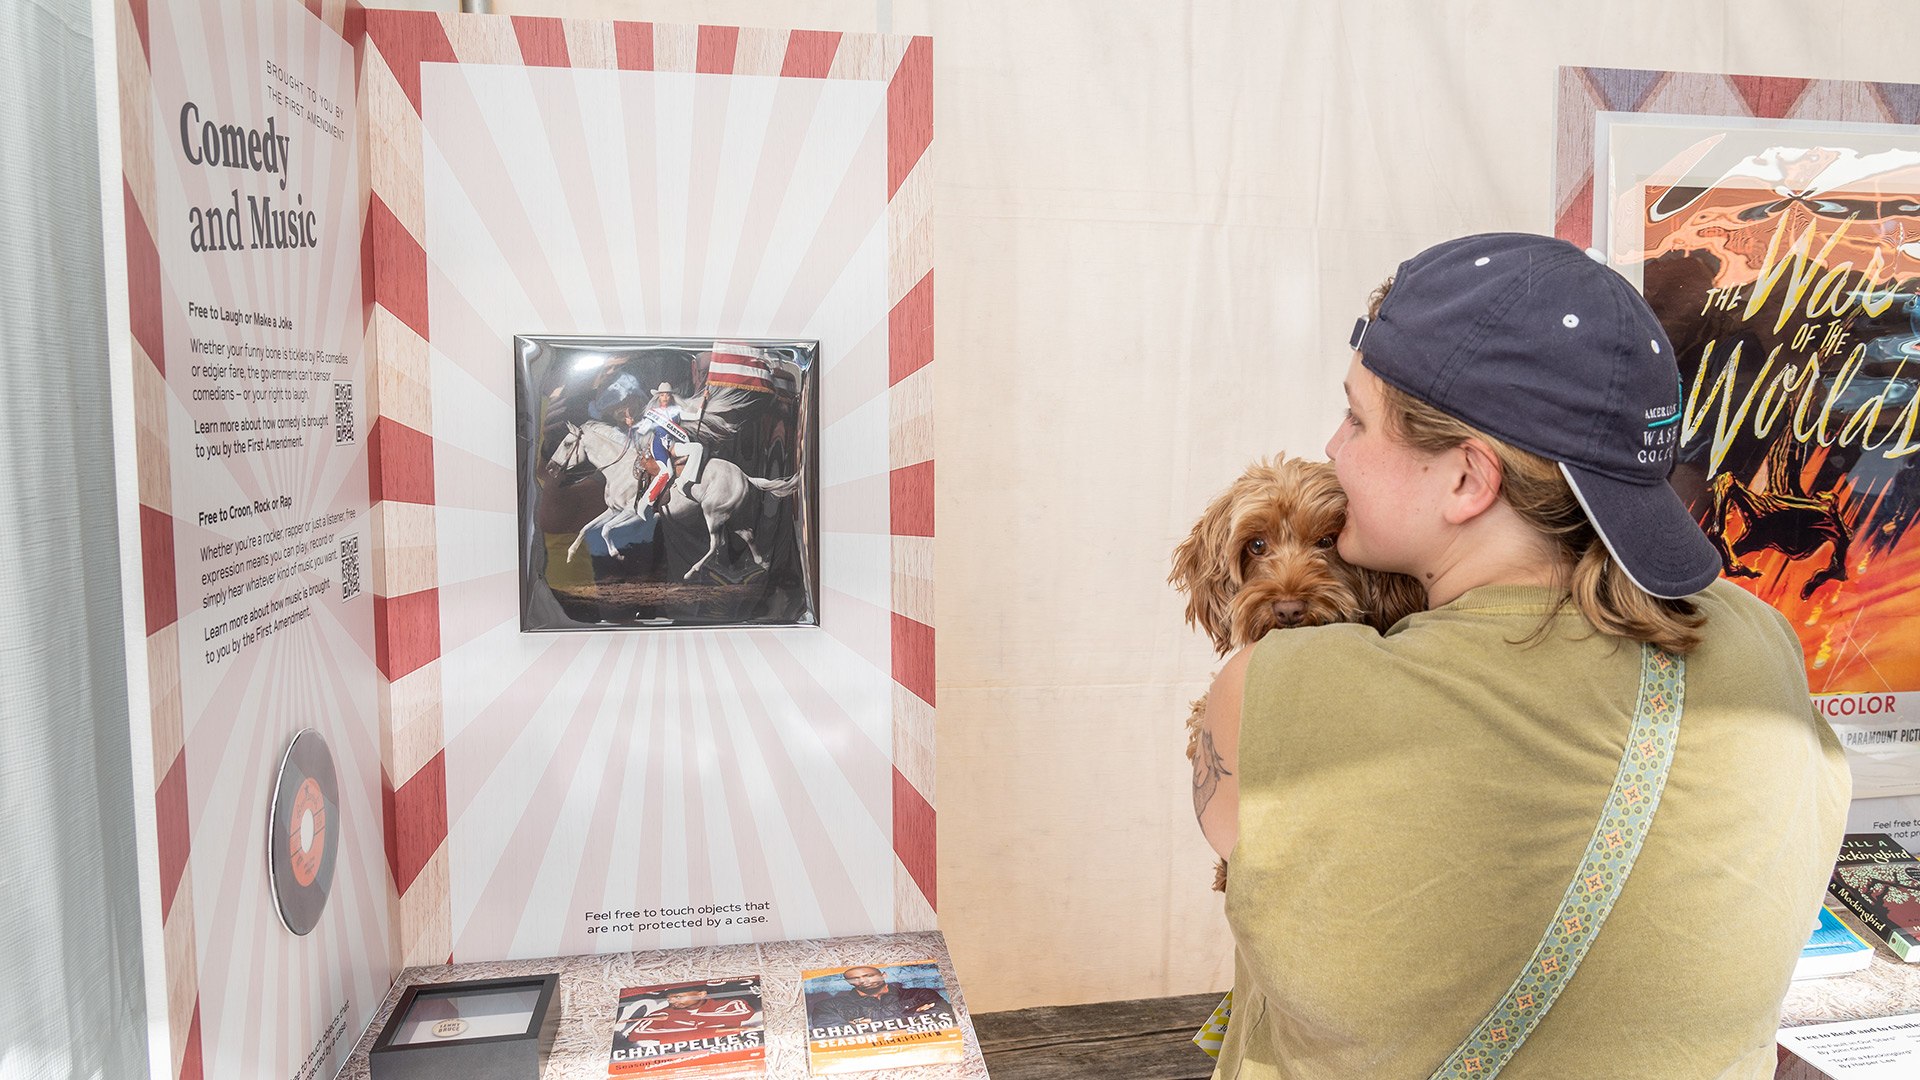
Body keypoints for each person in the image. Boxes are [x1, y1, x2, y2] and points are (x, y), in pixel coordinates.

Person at [1193, 233, 1849, 1079]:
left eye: (1357, 417)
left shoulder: (1273, 692)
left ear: (1469, 480)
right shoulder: (1760, 644)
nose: (1332, 447)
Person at [629, 382, 709, 518]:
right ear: (658, 397)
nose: (665, 397)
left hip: (672, 445)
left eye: (667, 395)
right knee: (667, 472)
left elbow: (696, 417)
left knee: (697, 448)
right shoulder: (653, 414)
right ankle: (645, 503)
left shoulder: (676, 412)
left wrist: (704, 400)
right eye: (662, 395)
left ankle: (683, 481)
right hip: (658, 446)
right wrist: (632, 425)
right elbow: (642, 430)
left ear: (671, 397)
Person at [808, 966, 954, 1030]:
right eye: (856, 979)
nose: (864, 981)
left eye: (869, 976)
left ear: (884, 975)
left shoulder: (920, 994)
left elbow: (943, 1016)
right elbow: (829, 1033)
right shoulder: (828, 1006)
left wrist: (869, 1023)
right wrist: (911, 1015)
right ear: (848, 983)